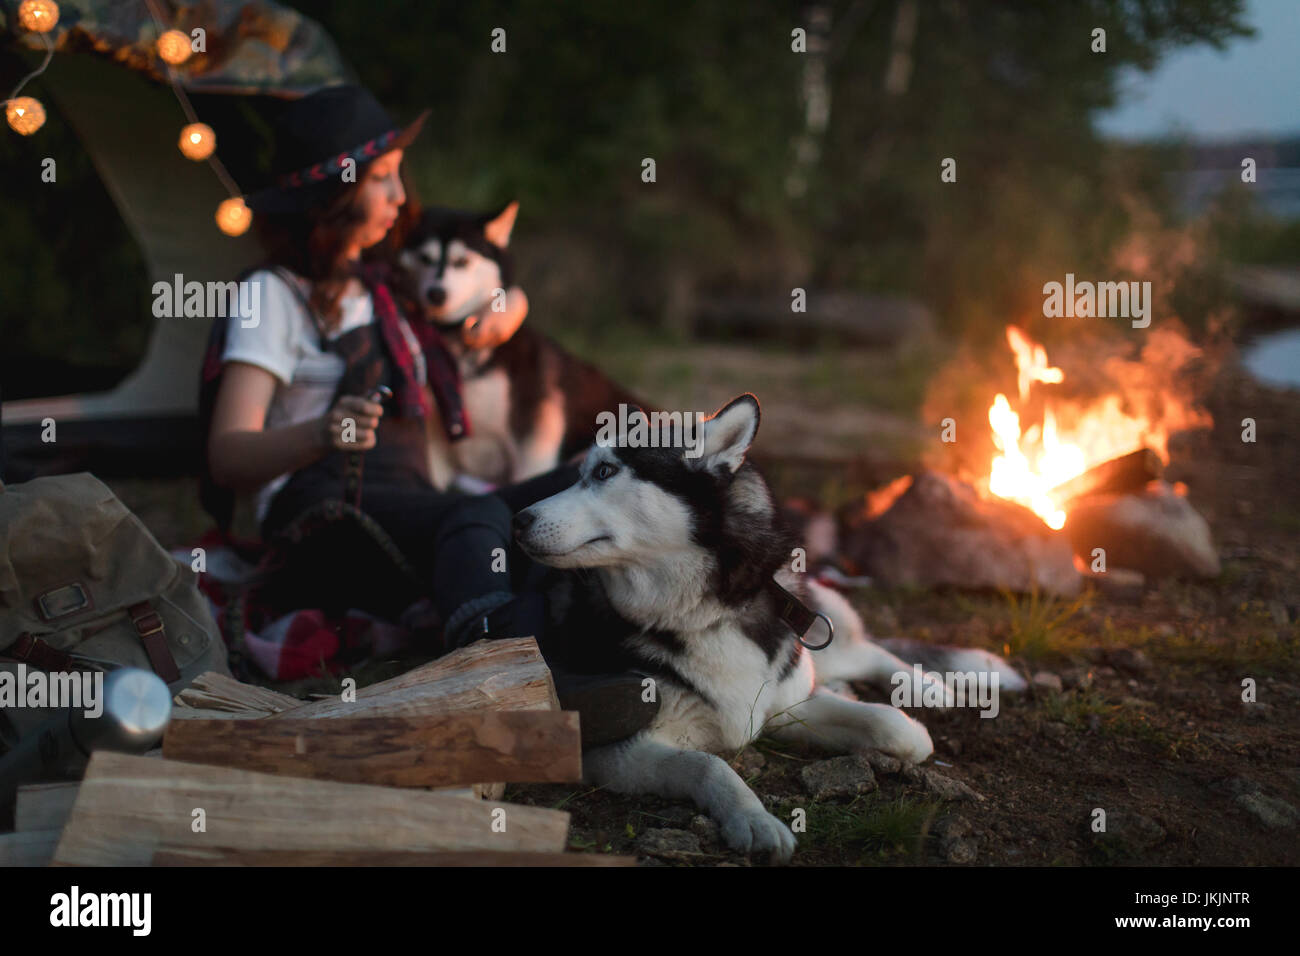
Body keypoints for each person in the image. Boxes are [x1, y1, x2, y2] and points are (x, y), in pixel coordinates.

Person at [207, 85, 653, 742]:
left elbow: (481, 298)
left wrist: (512, 303)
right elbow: (227, 453)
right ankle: (508, 677)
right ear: (333, 194)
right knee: (479, 514)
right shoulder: (271, 297)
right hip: (322, 515)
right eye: (382, 179)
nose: (398, 198)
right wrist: (318, 435)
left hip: (411, 503)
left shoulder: (388, 289)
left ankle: (648, 642)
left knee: (591, 476)